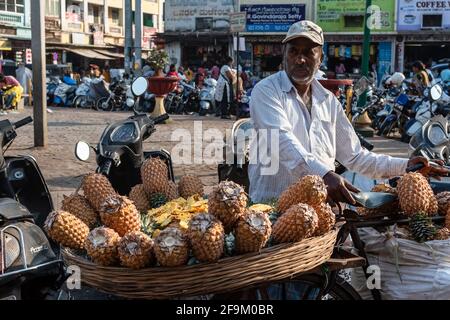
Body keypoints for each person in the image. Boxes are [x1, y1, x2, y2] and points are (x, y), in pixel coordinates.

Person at [248, 20, 447, 205]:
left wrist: (406, 166)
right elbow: (283, 141)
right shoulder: (266, 91)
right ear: (284, 55)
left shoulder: (328, 101)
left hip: (318, 211)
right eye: (293, 51)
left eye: (309, 52)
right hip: (271, 207)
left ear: (320, 59)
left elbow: (356, 157)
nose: (300, 59)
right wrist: (325, 175)